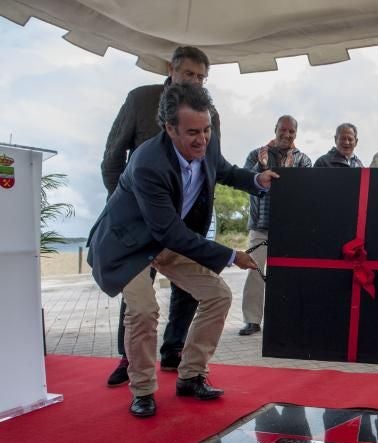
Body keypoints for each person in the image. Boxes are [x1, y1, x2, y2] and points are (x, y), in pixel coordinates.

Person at [86, 83, 277, 418]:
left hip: (164, 240)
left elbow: (225, 170)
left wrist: (255, 182)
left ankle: (191, 375)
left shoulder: (206, 142)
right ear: (169, 128)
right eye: (192, 132)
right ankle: (143, 390)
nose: (202, 139)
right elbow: (169, 231)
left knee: (218, 295)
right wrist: (231, 255)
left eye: (206, 130)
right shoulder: (148, 162)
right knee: (144, 311)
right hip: (127, 244)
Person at [100, 46, 220, 386]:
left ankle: (174, 351)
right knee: (139, 296)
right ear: (172, 70)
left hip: (186, 221)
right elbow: (112, 156)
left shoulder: (209, 112)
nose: (195, 82)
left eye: (201, 77)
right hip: (138, 224)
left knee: (189, 291)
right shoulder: (140, 100)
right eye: (189, 74)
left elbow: (214, 165)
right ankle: (129, 358)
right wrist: (123, 208)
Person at [238, 115, 313, 336]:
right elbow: (244, 180)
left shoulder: (303, 160)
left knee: (288, 275)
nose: (287, 135)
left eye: (291, 132)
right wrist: (259, 167)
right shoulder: (256, 154)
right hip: (261, 226)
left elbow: (305, 191)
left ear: (296, 134)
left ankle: (285, 318)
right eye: (283, 130)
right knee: (255, 272)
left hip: (290, 228)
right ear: (275, 129)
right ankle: (252, 320)